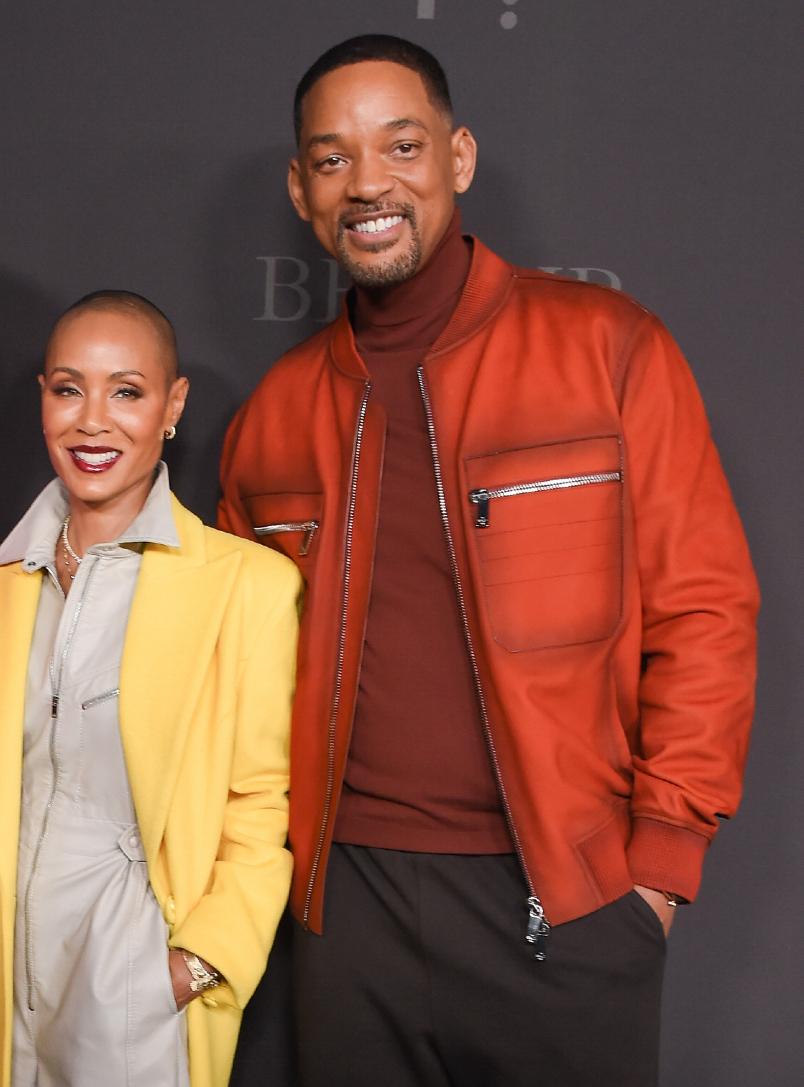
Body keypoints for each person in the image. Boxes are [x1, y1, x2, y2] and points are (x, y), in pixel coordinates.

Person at [218, 35, 758, 1087]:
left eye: (401, 145)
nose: (368, 182)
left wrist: (656, 871)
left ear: (458, 158)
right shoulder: (273, 417)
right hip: (345, 915)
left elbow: (706, 611)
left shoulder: (607, 348)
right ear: (300, 188)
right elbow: (231, 684)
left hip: (566, 899)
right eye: (332, 159)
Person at [0, 291, 299, 1087]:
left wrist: (193, 964)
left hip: (131, 982)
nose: (93, 420)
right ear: (43, 400)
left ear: (172, 405)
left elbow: (261, 803)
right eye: (68, 388)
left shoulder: (247, 586)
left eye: (126, 390)